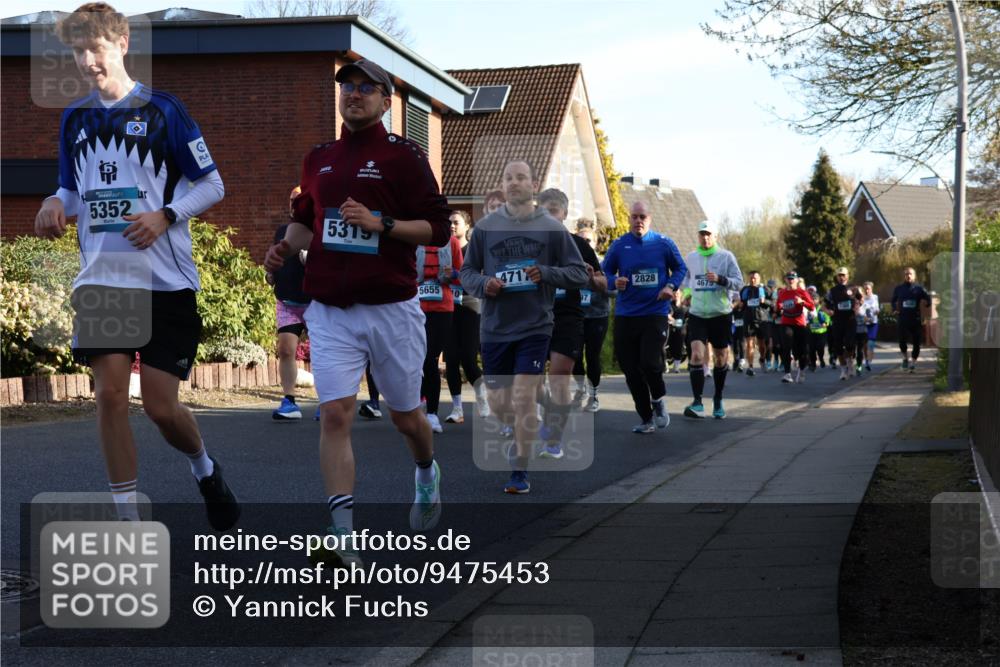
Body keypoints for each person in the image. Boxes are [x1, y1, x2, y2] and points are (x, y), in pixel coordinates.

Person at [33, 3, 239, 529]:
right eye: (77, 51)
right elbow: (71, 190)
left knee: (162, 408)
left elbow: (212, 185)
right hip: (104, 280)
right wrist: (53, 203)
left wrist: (165, 215)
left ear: (123, 44)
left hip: (164, 281)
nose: (86, 61)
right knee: (108, 397)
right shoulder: (75, 119)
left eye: (95, 49)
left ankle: (205, 468)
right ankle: (128, 520)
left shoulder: (164, 111)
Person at [264, 59, 450, 558]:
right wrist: (285, 246)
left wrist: (379, 223)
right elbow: (308, 224)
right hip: (330, 309)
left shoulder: (405, 157)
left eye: (367, 88)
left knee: (407, 418)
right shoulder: (319, 158)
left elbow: (438, 230)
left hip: (391, 306)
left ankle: (426, 473)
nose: (354, 94)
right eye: (347, 87)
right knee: (334, 415)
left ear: (386, 101)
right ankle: (343, 534)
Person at [460, 159, 588, 493]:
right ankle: (531, 422)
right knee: (502, 404)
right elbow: (466, 272)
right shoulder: (486, 227)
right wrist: (483, 283)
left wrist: (545, 273)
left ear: (533, 185)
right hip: (494, 328)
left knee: (522, 395)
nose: (514, 183)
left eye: (521, 177)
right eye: (508, 178)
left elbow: (578, 273)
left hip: (535, 326)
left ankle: (519, 469)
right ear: (502, 185)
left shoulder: (551, 227)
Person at [602, 201, 688, 433]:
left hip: (654, 312)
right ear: (629, 219)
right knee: (630, 370)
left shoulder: (663, 243)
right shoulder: (620, 245)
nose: (638, 221)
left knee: (650, 363)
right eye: (634, 217)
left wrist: (670, 285)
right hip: (626, 314)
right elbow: (605, 272)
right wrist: (613, 282)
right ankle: (646, 418)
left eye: (643, 217)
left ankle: (658, 400)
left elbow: (681, 268)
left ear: (649, 219)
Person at [535, 190, 606, 458]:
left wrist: (590, 279)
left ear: (564, 214)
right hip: (535, 315)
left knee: (560, 376)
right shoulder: (529, 243)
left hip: (568, 317)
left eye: (555, 210)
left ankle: (553, 440)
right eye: (544, 210)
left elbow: (603, 284)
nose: (549, 215)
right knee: (530, 383)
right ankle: (549, 414)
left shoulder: (579, 245)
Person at [681, 221, 743, 419]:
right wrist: (688, 293)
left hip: (720, 314)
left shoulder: (726, 257)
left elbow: (739, 282)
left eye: (708, 234)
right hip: (698, 313)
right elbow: (686, 280)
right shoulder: (691, 257)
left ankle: (718, 397)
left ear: (715, 236)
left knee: (720, 358)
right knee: (697, 355)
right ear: (698, 236)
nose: (705, 238)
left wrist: (721, 280)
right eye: (702, 234)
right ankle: (697, 402)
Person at [416, 225, 463, 433]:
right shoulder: (412, 239)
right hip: (415, 308)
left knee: (430, 359)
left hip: (443, 308)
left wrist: (452, 273)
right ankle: (421, 407)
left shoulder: (451, 243)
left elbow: (464, 276)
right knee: (420, 359)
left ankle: (432, 414)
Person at [270, 185, 312, 421]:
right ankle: (290, 401)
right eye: (291, 200)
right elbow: (277, 258)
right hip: (287, 301)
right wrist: (271, 274)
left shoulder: (317, 230)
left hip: (316, 302)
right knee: (286, 350)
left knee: (321, 354)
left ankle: (326, 402)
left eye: (298, 199)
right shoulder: (282, 231)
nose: (293, 204)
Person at [443, 210, 489, 423]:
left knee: (469, 360)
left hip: (471, 307)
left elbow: (479, 278)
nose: (452, 226)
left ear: (467, 227)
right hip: (448, 308)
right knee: (451, 359)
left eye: (456, 222)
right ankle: (457, 409)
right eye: (449, 222)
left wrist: (455, 275)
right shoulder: (445, 250)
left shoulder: (473, 250)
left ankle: (482, 397)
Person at [572, 220, 612, 412]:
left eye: (588, 240)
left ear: (595, 243)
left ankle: (594, 395)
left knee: (592, 355)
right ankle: (580, 390)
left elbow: (613, 290)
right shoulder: (568, 263)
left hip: (597, 315)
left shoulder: (603, 263)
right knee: (574, 355)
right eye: (580, 240)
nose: (584, 244)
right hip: (575, 315)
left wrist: (594, 279)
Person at [774, 271, 814, 383]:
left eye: (793, 278)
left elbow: (812, 306)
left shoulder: (802, 292)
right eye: (789, 278)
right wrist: (778, 308)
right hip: (786, 322)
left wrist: (802, 302)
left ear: (796, 280)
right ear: (785, 280)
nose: (791, 280)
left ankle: (801, 371)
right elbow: (778, 306)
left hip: (799, 324)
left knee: (801, 350)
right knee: (786, 347)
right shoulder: (782, 293)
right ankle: (787, 373)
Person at [825, 267, 861, 381]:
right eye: (839, 275)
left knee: (850, 344)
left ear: (847, 276)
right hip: (838, 320)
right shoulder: (832, 290)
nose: (841, 277)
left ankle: (850, 361)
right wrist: (828, 311)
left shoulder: (854, 288)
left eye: (843, 275)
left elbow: (861, 299)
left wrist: (857, 307)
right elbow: (824, 304)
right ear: (837, 277)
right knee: (838, 347)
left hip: (850, 320)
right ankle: (843, 369)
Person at [891, 267, 931, 372]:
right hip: (903, 318)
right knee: (902, 342)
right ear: (904, 276)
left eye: (910, 274)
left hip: (915, 319)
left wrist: (928, 303)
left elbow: (928, 297)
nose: (908, 276)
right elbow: (893, 301)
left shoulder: (919, 288)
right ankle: (905, 358)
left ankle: (913, 363)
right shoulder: (899, 288)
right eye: (906, 274)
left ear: (914, 276)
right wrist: (895, 309)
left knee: (917, 342)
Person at [739, 271, 770, 377]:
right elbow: (742, 304)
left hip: (761, 320)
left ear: (759, 279)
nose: (753, 280)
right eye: (751, 278)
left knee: (762, 345)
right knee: (749, 344)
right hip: (748, 320)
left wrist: (764, 301)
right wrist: (740, 305)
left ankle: (762, 359)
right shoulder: (744, 290)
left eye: (755, 278)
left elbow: (772, 303)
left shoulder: (765, 289)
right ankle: (750, 367)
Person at [806, 289, 831, 370]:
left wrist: (826, 323)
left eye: (815, 299)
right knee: (811, 349)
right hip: (812, 332)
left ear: (818, 300)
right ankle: (813, 363)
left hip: (822, 332)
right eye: (812, 299)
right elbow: (805, 318)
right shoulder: (808, 309)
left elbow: (827, 317)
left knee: (820, 347)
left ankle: (821, 358)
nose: (813, 300)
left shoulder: (822, 309)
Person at [860, 281, 879, 372]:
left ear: (871, 289)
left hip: (873, 323)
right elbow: (859, 310)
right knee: (864, 344)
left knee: (871, 343)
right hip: (864, 323)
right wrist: (865, 317)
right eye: (865, 289)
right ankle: (866, 360)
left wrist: (877, 311)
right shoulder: (861, 298)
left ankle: (868, 362)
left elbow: (877, 308)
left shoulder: (875, 297)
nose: (867, 290)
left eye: (868, 288)